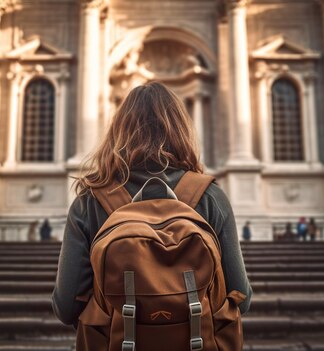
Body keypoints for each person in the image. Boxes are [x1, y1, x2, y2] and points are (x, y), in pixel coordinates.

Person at [51, 82, 252, 349]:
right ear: (182, 130)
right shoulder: (209, 197)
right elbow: (242, 297)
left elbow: (65, 307)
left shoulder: (89, 201)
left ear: (118, 131)